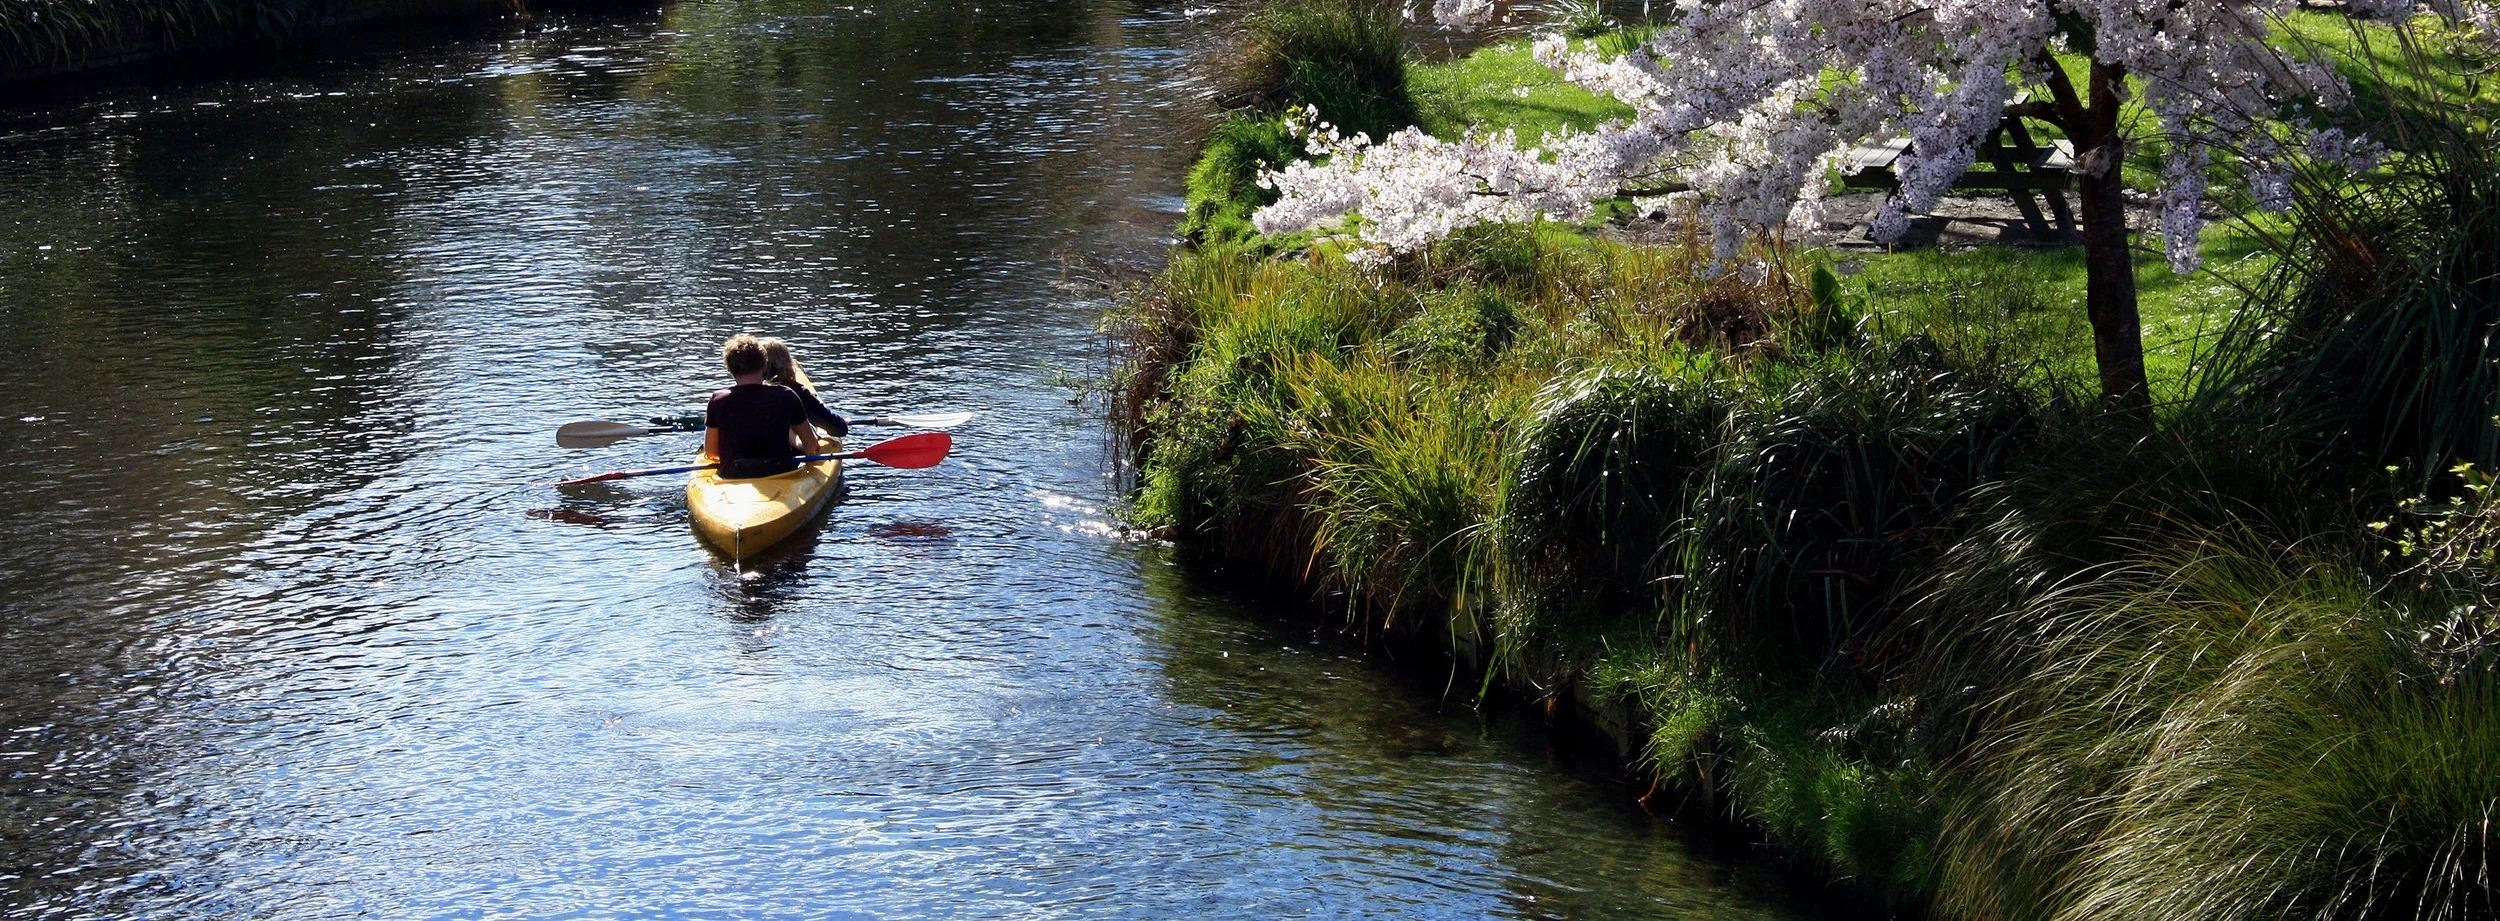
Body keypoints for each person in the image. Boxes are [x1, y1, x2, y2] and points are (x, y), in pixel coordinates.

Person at [705, 334, 820, 479]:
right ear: (764, 366)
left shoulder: (718, 399)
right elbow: (811, 447)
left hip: (734, 474)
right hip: (781, 473)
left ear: (730, 369)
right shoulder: (787, 395)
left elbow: (711, 453)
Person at [758, 336, 851, 438]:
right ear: (788, 362)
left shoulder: (745, 392)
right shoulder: (797, 392)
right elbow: (839, 429)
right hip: (791, 452)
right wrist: (840, 422)